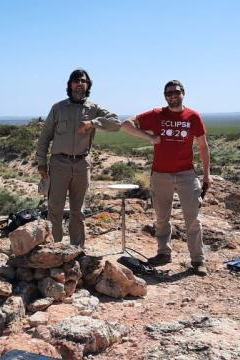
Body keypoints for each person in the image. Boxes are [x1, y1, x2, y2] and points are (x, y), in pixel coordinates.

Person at [121, 80, 211, 276]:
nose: (172, 95)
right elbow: (126, 124)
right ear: (165, 95)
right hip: (160, 174)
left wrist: (206, 174)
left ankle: (198, 260)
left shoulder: (193, 116)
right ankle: (163, 253)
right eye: (168, 93)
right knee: (162, 217)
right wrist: (149, 138)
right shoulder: (156, 115)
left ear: (183, 93)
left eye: (176, 92)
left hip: (187, 173)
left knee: (193, 218)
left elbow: (203, 146)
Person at [37, 69, 121, 247]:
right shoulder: (58, 108)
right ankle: (54, 248)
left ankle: (77, 249)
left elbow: (115, 123)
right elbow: (45, 137)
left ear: (88, 84)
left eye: (83, 80)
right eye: (75, 80)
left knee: (78, 211)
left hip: (82, 164)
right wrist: (41, 163)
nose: (79, 83)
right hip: (59, 163)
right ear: (70, 84)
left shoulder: (93, 109)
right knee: (55, 209)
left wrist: (93, 123)